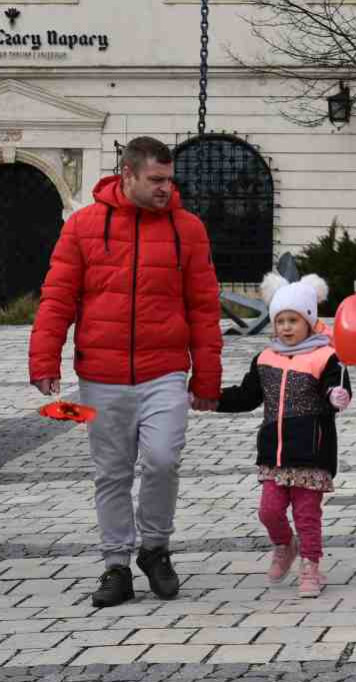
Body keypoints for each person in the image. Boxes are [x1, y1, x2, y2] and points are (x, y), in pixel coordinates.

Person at [29, 136, 223, 607]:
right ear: (128, 174)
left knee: (162, 459)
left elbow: (203, 307)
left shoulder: (188, 229)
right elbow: (57, 297)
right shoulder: (83, 227)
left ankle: (155, 548)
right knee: (111, 474)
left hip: (165, 372)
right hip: (100, 376)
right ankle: (116, 564)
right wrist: (44, 359)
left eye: (169, 180)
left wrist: (208, 378)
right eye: (156, 180)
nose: (165, 189)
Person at [216, 273, 351, 597]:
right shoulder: (265, 358)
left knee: (307, 515)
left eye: (294, 320)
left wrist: (337, 396)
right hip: (274, 455)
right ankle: (284, 545)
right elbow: (248, 396)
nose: (287, 327)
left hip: (311, 453)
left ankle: (310, 567)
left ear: (309, 321)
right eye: (281, 321)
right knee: (269, 511)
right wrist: (212, 399)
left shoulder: (325, 356)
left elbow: (337, 386)